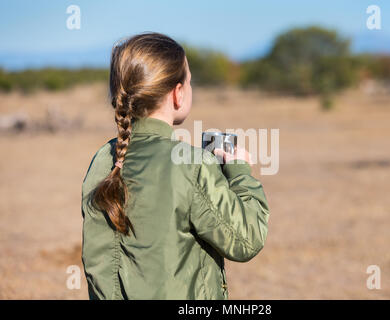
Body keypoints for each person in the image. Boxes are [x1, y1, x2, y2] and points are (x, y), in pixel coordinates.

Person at [81, 32, 270, 300]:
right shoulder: (192, 163)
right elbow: (246, 240)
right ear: (178, 94)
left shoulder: (103, 158)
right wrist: (240, 172)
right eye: (189, 81)